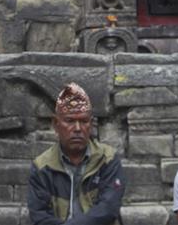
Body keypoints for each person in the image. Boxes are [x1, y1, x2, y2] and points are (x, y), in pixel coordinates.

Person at [27, 83, 126, 225]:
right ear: (56, 124)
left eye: (84, 121)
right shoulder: (42, 167)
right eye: (70, 121)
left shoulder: (107, 159)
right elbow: (39, 215)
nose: (78, 128)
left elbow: (108, 208)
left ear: (90, 124)